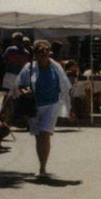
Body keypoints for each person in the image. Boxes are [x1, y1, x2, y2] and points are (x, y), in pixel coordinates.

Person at [16, 40, 71, 178]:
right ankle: (41, 163)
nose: (44, 54)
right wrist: (25, 91)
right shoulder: (29, 68)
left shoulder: (56, 67)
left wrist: (68, 106)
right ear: (35, 54)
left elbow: (64, 86)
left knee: (45, 134)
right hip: (34, 105)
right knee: (38, 136)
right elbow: (20, 84)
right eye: (41, 52)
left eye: (47, 51)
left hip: (51, 105)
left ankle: (42, 168)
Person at [1, 32, 30, 97]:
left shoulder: (10, 49)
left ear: (14, 40)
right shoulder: (27, 53)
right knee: (18, 97)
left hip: (10, 74)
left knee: (7, 95)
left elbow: (4, 59)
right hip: (20, 76)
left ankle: (6, 107)